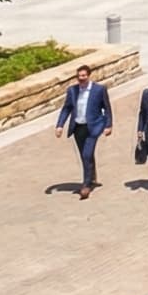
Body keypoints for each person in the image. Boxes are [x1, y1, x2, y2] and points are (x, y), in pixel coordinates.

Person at [52, 64, 112, 200]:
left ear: (89, 75)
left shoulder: (99, 89)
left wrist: (108, 125)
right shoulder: (72, 90)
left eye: (84, 76)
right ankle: (92, 175)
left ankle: (86, 185)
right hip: (78, 127)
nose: (81, 79)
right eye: (79, 76)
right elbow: (66, 108)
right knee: (85, 155)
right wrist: (60, 125)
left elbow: (107, 108)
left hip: (93, 127)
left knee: (86, 154)